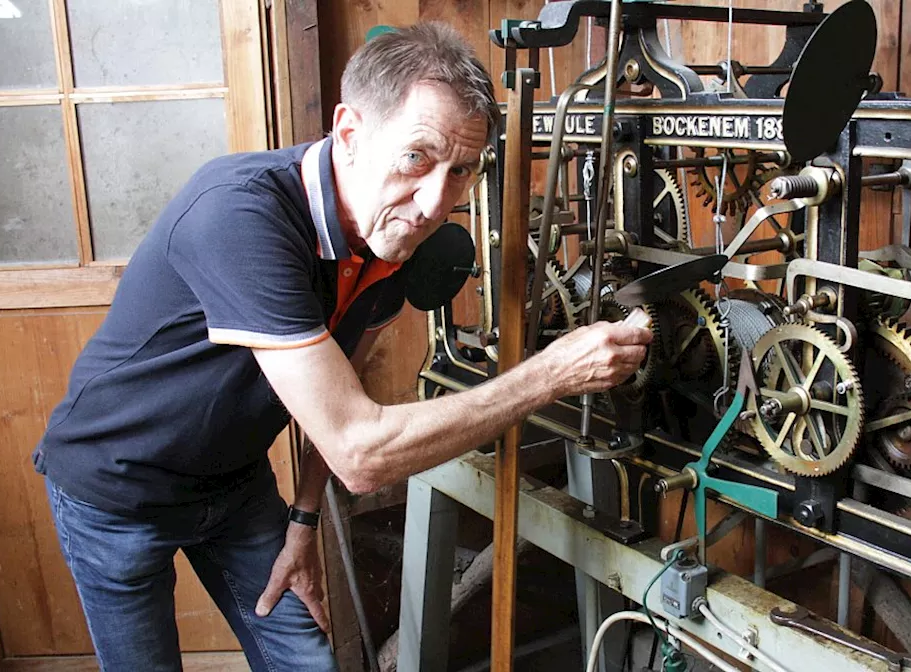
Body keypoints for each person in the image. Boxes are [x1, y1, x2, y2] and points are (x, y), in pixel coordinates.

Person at [32, 21, 652, 671]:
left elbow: (339, 396)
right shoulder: (241, 215)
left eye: (462, 170)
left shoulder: (392, 243)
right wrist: (548, 374)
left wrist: (302, 521)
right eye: (416, 157)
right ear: (351, 134)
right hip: (115, 489)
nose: (436, 202)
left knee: (306, 662)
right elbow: (360, 451)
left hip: (233, 483)